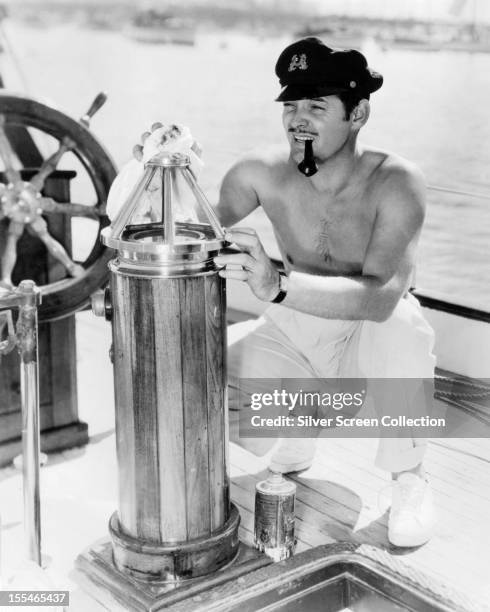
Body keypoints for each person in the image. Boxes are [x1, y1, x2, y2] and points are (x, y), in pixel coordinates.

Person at [132, 37, 436, 548]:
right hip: (292, 329)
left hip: (367, 339)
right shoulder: (260, 172)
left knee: (405, 324)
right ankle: (296, 429)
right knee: (192, 377)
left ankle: (409, 478)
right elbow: (181, 227)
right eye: (291, 105)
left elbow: (381, 296)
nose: (300, 119)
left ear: (358, 113)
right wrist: (160, 167)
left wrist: (277, 284)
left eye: (317, 106)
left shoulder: (398, 181)